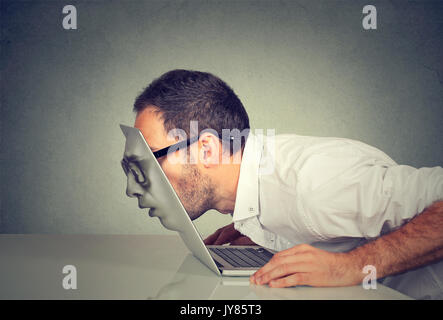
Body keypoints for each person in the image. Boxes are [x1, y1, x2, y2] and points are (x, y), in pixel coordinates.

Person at [123, 69, 443, 299]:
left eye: (149, 162)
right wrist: (268, 231)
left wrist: (353, 266)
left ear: (207, 149)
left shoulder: (312, 181)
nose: (132, 189)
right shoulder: (262, 194)